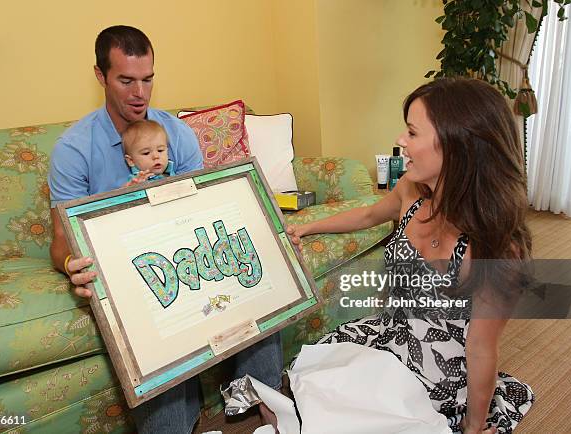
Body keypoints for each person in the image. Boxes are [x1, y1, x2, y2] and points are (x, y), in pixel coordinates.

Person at [48, 25, 282, 434]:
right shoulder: (73, 149)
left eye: (147, 79)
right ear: (101, 77)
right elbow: (59, 243)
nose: (140, 93)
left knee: (255, 285)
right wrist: (72, 264)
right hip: (132, 278)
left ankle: (262, 411)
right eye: (126, 80)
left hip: (191, 257)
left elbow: (206, 209)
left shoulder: (175, 133)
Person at [287, 77, 533, 434]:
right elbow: (369, 215)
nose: (401, 140)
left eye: (412, 132)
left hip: (440, 366)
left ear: (458, 146)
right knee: (311, 382)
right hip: (392, 328)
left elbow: (480, 348)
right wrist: (308, 228)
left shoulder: (497, 248)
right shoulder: (409, 191)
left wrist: (474, 426)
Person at [122, 119, 176, 186]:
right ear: (131, 161)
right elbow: (124, 195)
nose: (156, 156)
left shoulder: (171, 172)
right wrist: (133, 189)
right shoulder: (135, 181)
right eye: (146, 153)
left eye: (160, 150)